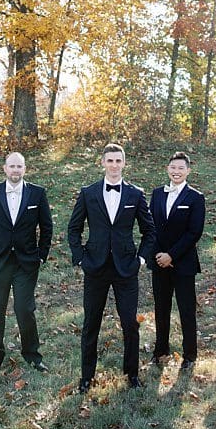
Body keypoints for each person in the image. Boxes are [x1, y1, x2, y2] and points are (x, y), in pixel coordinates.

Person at [68, 143, 156, 389]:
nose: (114, 165)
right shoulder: (88, 192)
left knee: (130, 322)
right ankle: (87, 376)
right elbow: (74, 229)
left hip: (126, 268)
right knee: (91, 323)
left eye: (118, 161)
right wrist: (81, 257)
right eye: (110, 161)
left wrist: (140, 259)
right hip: (95, 267)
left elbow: (149, 231)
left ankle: (132, 374)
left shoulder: (135, 194)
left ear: (124, 163)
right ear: (103, 163)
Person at [0, 152, 52, 374]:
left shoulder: (37, 193)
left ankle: (32, 355)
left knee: (24, 308)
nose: (16, 170)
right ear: (5, 169)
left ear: (25, 169)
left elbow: (46, 227)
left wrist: (41, 254)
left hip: (26, 262)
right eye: (12, 166)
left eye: (20, 166)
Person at [149, 151, 206, 369]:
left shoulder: (195, 197)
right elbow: (150, 227)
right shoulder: (157, 194)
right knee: (161, 307)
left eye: (181, 168)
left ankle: (190, 355)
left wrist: (171, 255)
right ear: (167, 169)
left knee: (186, 309)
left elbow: (194, 232)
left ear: (188, 171)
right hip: (159, 262)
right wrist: (158, 255)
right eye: (173, 168)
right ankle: (160, 350)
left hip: (183, 263)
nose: (176, 171)